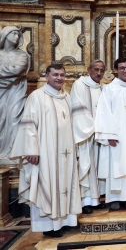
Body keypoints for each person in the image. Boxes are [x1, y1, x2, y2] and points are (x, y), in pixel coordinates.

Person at [10, 64, 81, 237]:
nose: (59, 78)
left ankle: (65, 221)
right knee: (47, 185)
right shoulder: (37, 96)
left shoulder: (66, 97)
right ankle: (49, 226)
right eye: (55, 74)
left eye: (62, 75)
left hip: (66, 153)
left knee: (65, 185)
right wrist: (31, 149)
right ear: (46, 76)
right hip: (45, 152)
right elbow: (29, 125)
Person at [95, 58, 126, 210]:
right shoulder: (109, 89)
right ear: (115, 70)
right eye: (121, 68)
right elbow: (104, 112)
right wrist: (109, 134)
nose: (125, 71)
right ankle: (115, 198)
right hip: (116, 134)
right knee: (117, 165)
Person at [70, 60, 106, 214]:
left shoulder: (103, 88)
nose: (99, 73)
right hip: (86, 134)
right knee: (86, 166)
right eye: (96, 70)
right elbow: (79, 110)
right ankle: (86, 201)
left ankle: (96, 199)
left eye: (102, 71)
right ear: (88, 69)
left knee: (98, 167)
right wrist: (94, 127)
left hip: (99, 134)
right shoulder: (79, 85)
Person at [0, 26, 30, 162]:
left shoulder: (22, 55)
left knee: (14, 118)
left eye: (18, 35)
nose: (16, 37)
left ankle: (13, 152)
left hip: (16, 91)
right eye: (13, 34)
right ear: (5, 35)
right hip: (2, 91)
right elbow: (12, 71)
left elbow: (17, 70)